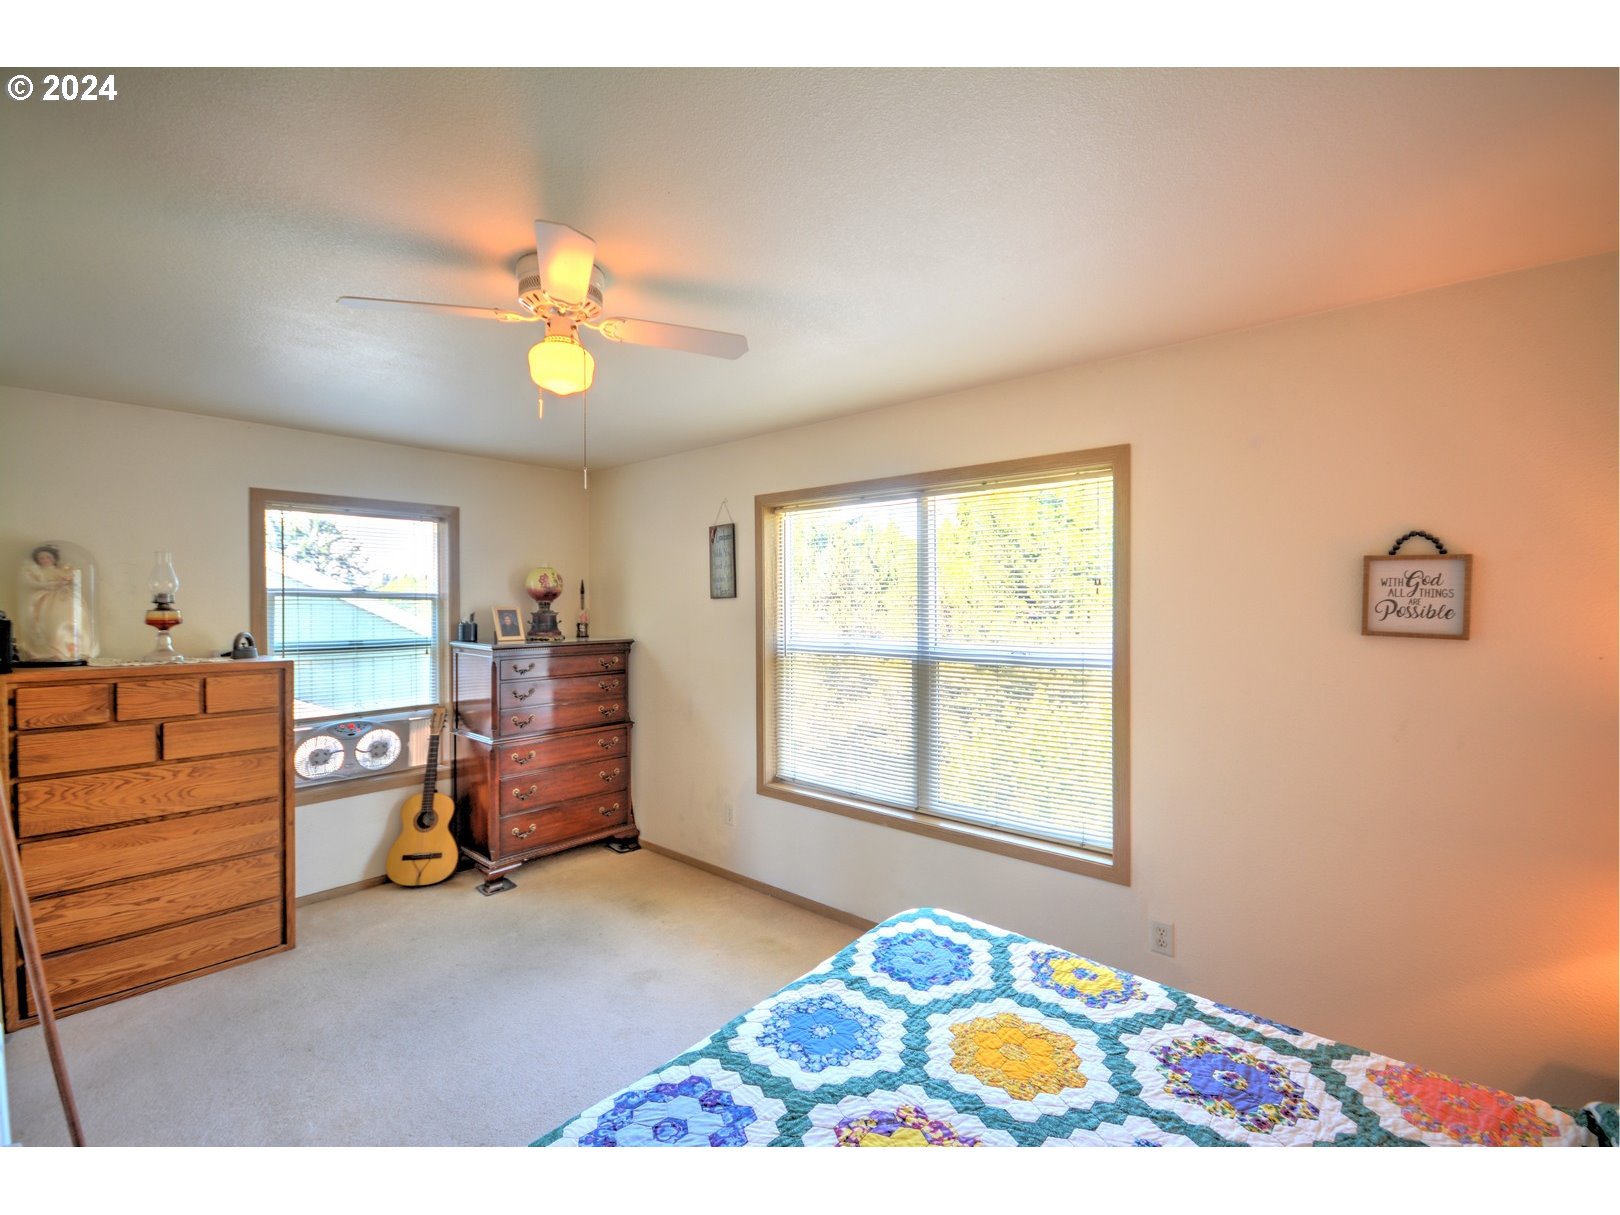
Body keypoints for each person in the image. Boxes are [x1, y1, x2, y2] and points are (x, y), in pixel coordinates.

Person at [19, 543, 97, 661]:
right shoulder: (38, 572)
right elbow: (31, 583)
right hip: (47, 600)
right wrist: (48, 585)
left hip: (65, 598)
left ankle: (75, 649)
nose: (45, 560)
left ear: (54, 559)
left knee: (69, 619)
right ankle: (50, 650)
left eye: (48, 557)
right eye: (41, 558)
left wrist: (67, 581)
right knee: (51, 623)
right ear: (37, 560)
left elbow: (73, 581)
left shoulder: (61, 570)